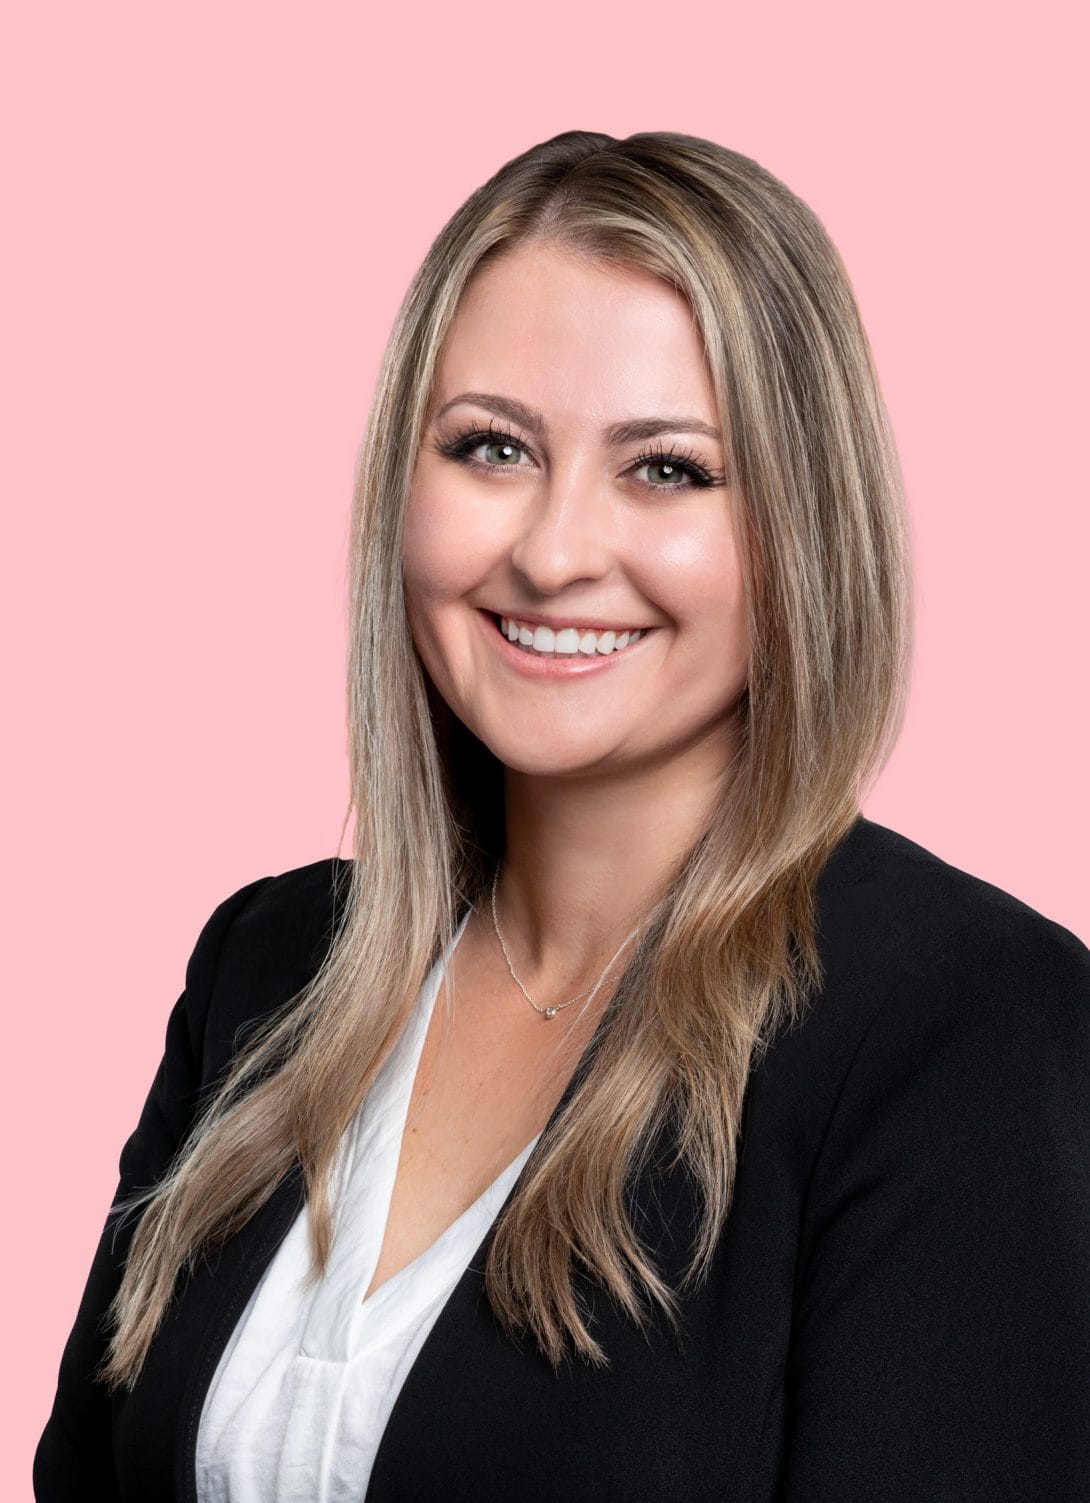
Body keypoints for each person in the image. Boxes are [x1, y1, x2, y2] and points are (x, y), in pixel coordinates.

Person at [35, 130, 1089, 1502]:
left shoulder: (963, 1022)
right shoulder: (267, 962)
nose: (548, 551)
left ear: (804, 527)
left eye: (666, 470)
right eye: (490, 449)